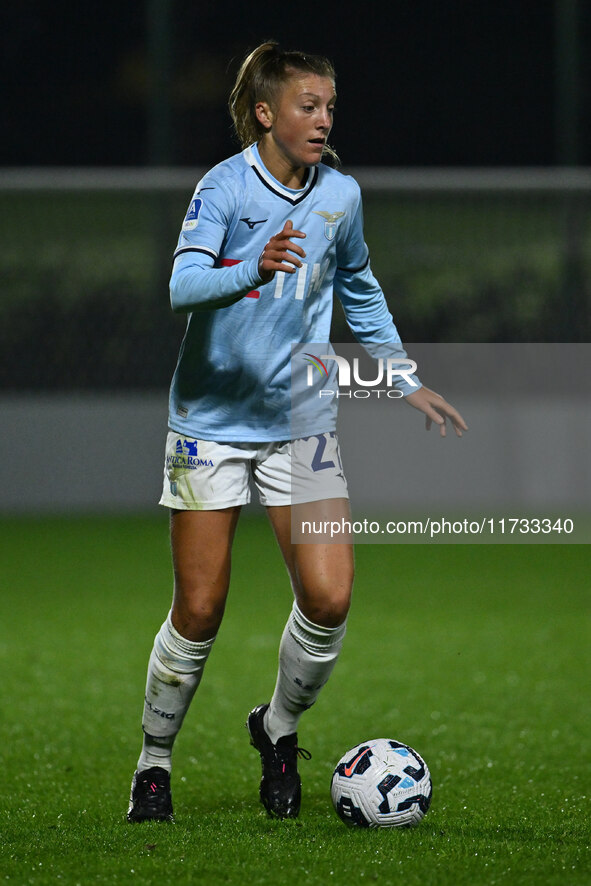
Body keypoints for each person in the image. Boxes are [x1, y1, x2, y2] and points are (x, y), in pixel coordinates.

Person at [126, 40, 467, 824]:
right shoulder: (222, 187)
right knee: (201, 610)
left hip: (299, 423)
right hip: (210, 424)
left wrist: (402, 377)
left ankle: (275, 730)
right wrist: (251, 266)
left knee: (328, 595)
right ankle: (153, 762)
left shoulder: (339, 195)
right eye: (307, 106)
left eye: (329, 106)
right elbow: (182, 286)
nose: (322, 119)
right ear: (264, 113)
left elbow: (360, 284)